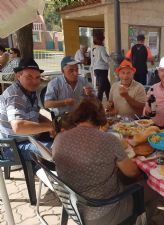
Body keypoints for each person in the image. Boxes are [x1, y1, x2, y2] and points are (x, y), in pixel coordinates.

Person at [52, 97, 140, 225]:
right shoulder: (109, 140)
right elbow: (132, 173)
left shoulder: (59, 138)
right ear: (101, 118)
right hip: (104, 211)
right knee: (149, 189)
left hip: (73, 206)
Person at [0, 58, 54, 160]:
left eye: (37, 77)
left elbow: (36, 114)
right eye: (29, 77)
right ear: (18, 76)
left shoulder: (29, 91)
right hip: (13, 147)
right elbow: (18, 126)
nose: (34, 81)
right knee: (57, 150)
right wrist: (51, 126)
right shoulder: (15, 95)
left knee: (63, 140)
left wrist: (53, 125)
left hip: (29, 138)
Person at [91, 33, 110, 101]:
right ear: (101, 40)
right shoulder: (101, 48)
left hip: (96, 69)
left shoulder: (93, 48)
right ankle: (98, 103)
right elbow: (106, 59)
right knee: (101, 88)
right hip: (102, 69)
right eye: (103, 40)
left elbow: (92, 60)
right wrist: (111, 57)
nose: (103, 41)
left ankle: (110, 101)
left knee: (107, 86)